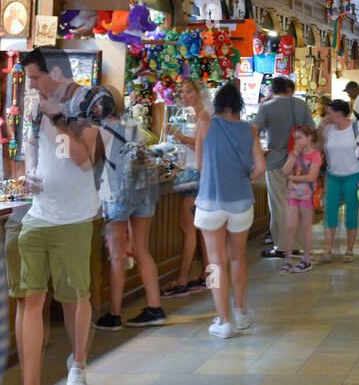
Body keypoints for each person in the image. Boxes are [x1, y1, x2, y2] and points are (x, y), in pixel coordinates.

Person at [0, 49, 102, 385]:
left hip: (74, 217)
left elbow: (82, 157)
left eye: (36, 78)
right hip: (36, 214)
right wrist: (31, 172)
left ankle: (79, 367)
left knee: (74, 297)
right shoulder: (35, 107)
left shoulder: (90, 101)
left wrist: (57, 117)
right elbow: (32, 150)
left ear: (56, 72)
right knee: (29, 298)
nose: (32, 86)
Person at [195, 82, 266, 338]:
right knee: (237, 258)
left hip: (210, 202)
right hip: (241, 203)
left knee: (215, 263)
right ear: (238, 106)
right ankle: (241, 313)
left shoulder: (206, 125)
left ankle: (223, 322)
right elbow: (260, 168)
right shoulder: (248, 130)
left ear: (217, 105)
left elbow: (201, 165)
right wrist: (241, 178)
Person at [95, 90, 166, 330]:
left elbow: (92, 164)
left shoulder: (101, 129)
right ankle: (155, 308)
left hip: (118, 195)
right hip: (144, 192)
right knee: (141, 250)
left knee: (117, 256)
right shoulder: (132, 125)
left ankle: (114, 314)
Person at [252, 76, 312, 259]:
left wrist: (259, 150)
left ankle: (282, 246)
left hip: (276, 161)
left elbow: (252, 130)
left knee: (279, 204)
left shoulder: (267, 107)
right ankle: (296, 244)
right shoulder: (301, 105)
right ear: (290, 89)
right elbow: (312, 130)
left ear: (272, 90)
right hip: (300, 163)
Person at [163, 79, 211, 297]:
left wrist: (181, 137)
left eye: (188, 92)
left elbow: (204, 145)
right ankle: (206, 275)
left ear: (199, 93)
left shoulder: (203, 115)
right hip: (194, 173)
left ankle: (182, 278)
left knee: (188, 226)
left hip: (196, 176)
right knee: (199, 227)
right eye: (182, 93)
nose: (184, 96)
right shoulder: (194, 115)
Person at [317, 100, 359, 262]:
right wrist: (321, 128)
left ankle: (349, 249)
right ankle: (327, 249)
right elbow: (318, 147)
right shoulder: (328, 129)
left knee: (351, 213)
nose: (327, 116)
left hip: (353, 175)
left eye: (329, 112)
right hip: (333, 175)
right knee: (330, 212)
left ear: (339, 113)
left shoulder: (358, 128)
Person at [279, 124, 320, 273]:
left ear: (309, 138)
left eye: (300, 137)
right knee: (290, 227)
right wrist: (294, 155)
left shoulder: (315, 155)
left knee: (306, 227)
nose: (297, 141)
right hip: (293, 194)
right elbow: (285, 171)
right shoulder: (293, 154)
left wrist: (294, 177)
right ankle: (288, 259)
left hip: (307, 195)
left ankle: (306, 259)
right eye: (295, 138)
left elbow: (312, 176)